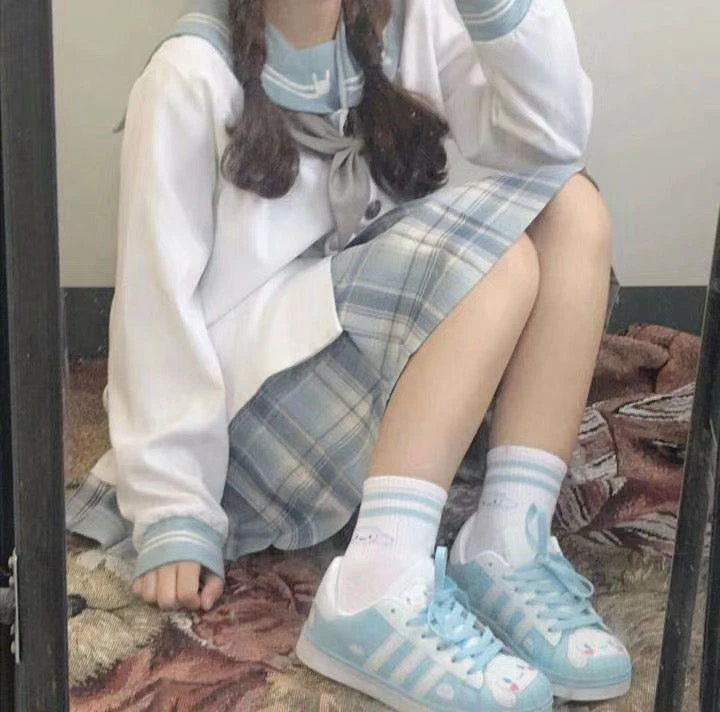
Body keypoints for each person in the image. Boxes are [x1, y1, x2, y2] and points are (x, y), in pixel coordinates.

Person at [66, 0, 633, 709]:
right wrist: (173, 512)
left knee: (573, 208)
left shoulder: (410, 23)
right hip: (248, 431)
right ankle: (376, 585)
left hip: (371, 386)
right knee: (498, 266)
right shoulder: (189, 74)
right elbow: (154, 311)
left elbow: (552, 141)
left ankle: (506, 543)